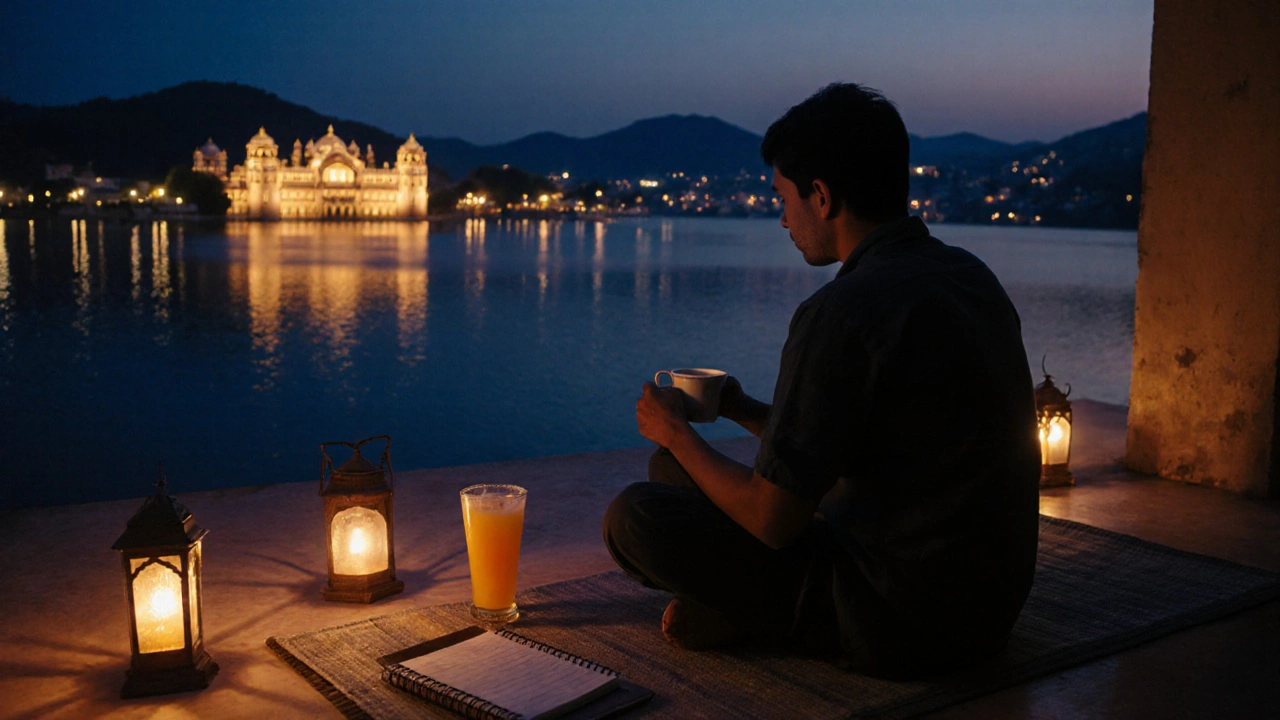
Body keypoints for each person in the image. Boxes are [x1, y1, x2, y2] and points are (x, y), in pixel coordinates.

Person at [601, 83, 1040, 679]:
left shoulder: (841, 312)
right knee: (676, 478)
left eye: (783, 198)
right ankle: (741, 609)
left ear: (823, 196)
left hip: (896, 617)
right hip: (988, 606)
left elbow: (770, 520)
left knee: (637, 517)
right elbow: (871, 443)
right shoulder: (968, 276)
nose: (781, 218)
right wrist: (741, 407)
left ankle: (761, 619)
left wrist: (677, 431)